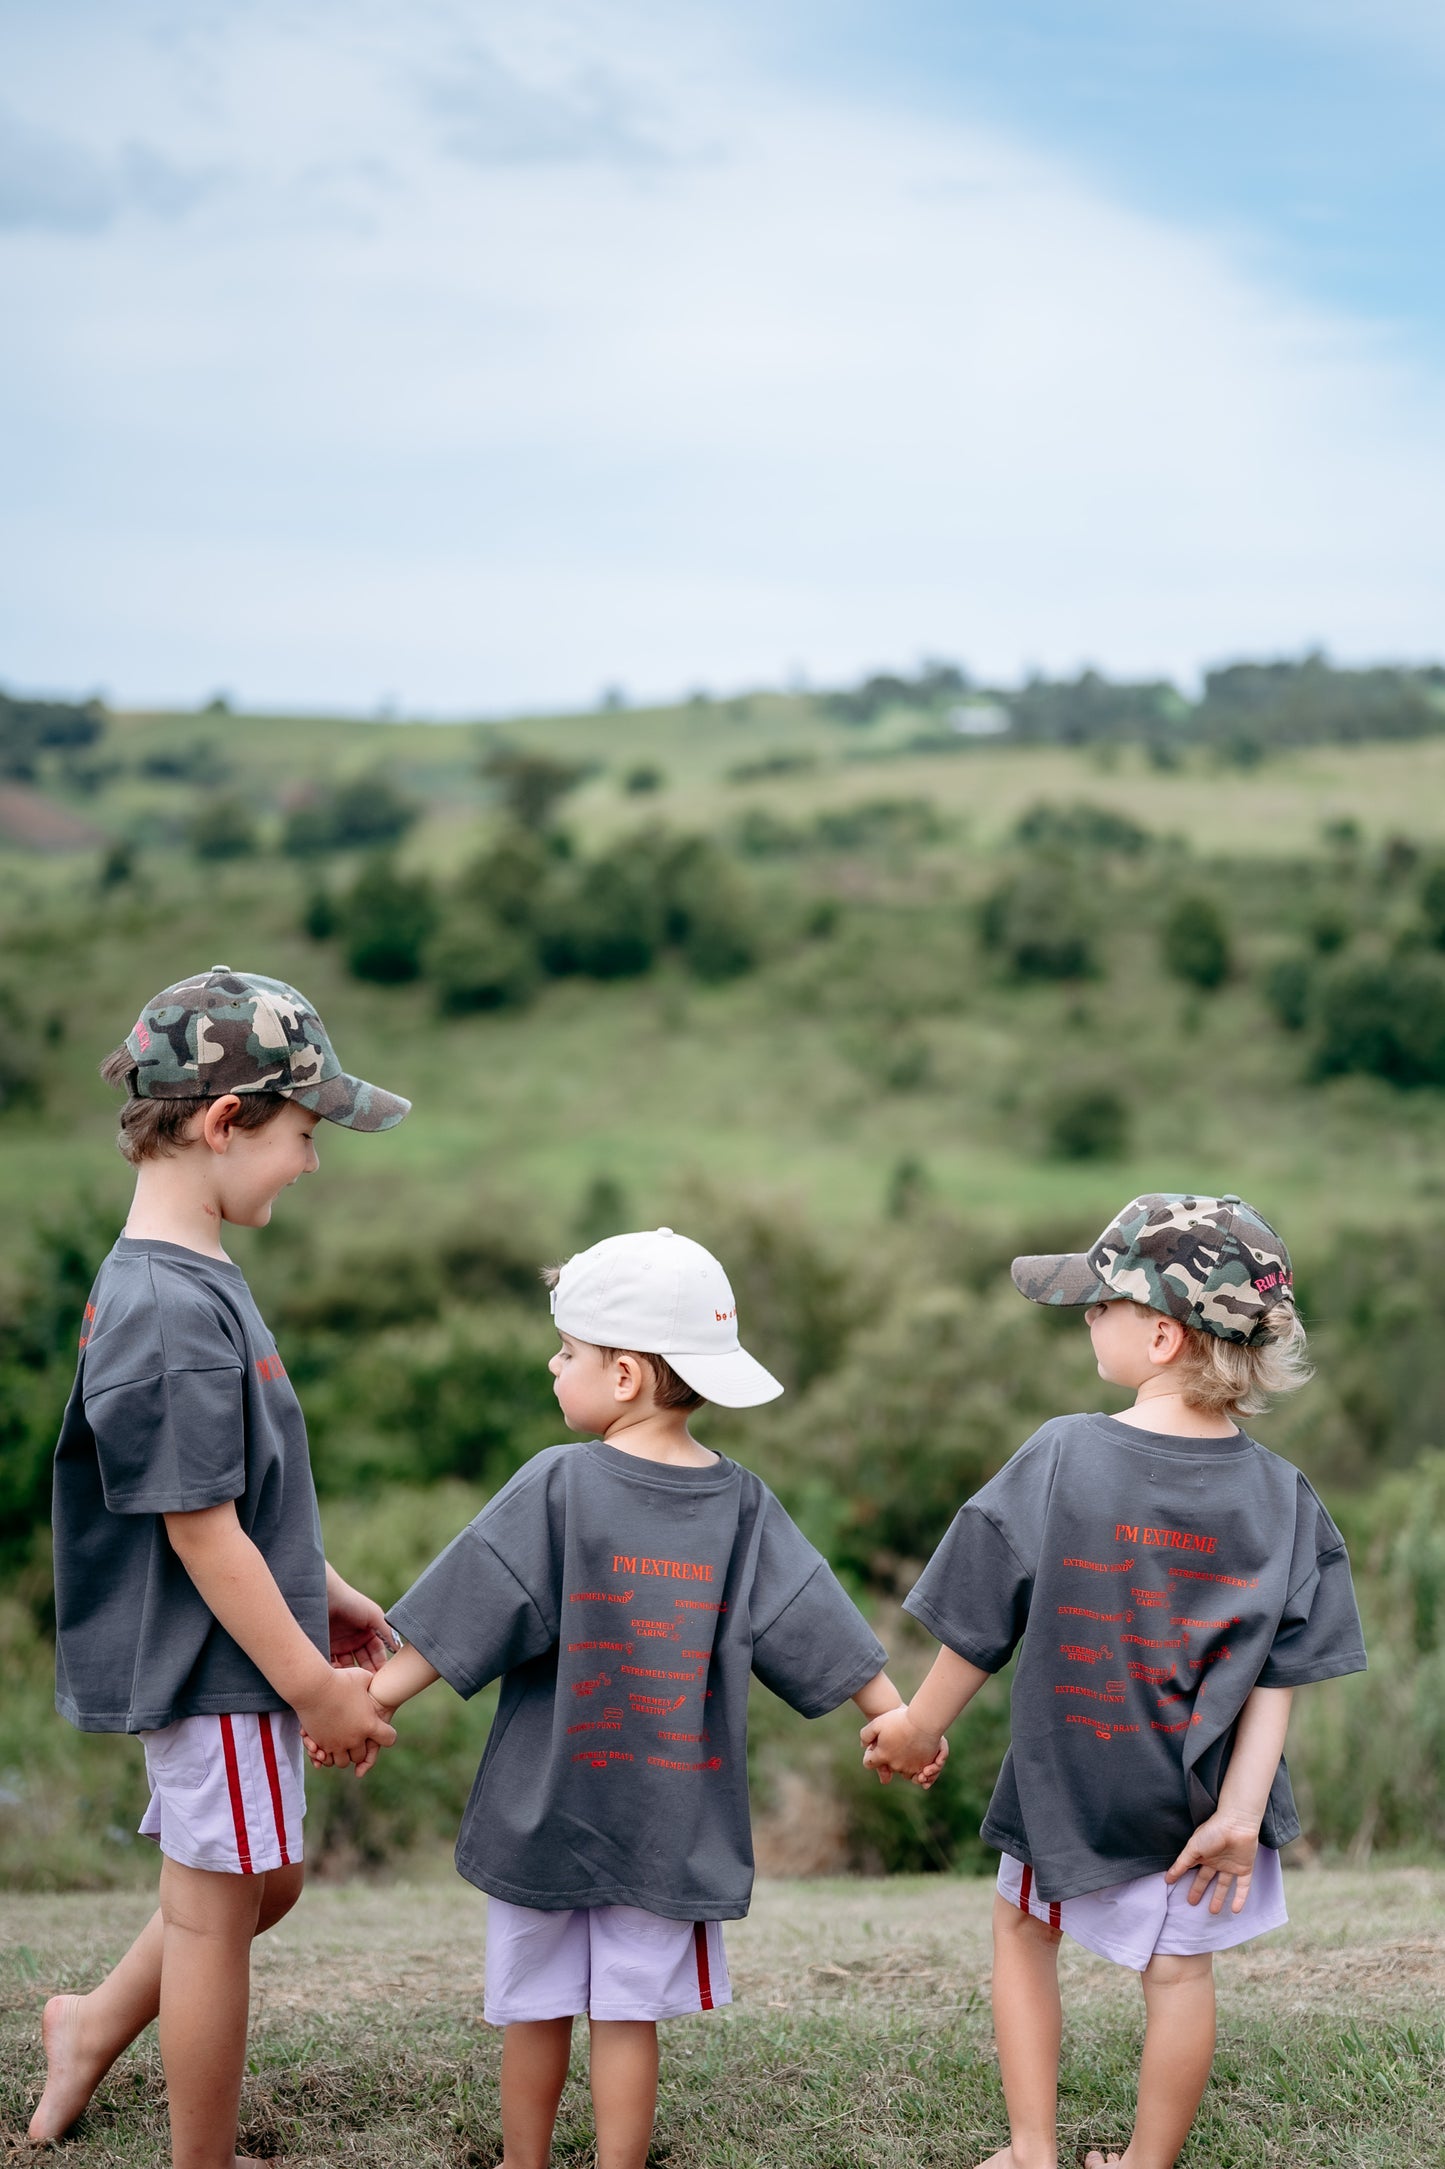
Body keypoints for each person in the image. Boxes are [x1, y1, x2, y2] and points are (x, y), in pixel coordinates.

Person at [347, 1226, 934, 2169]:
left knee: (533, 2005)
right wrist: (895, 1716)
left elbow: (474, 1605)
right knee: (627, 2016)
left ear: (623, 1374)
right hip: (669, 1816)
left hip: (545, 1811)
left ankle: (521, 2162)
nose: (555, 1362)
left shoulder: (556, 1483)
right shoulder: (743, 1505)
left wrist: (370, 1697)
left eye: (569, 1350)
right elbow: (811, 1616)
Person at [861, 1193, 1367, 2169]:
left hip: (1071, 1779)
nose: (1086, 1316)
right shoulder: (1279, 1493)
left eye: (1100, 1301)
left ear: (1164, 1337)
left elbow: (978, 1620)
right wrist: (1238, 1810)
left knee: (1018, 1929)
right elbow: (1280, 1668)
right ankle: (1143, 2164)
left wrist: (920, 1727)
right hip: (1198, 1799)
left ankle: (1030, 2149)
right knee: (1178, 1976)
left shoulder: (1062, 1455)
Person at [29, 965, 409, 2169]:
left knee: (261, 1884)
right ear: (223, 1120)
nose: (312, 1162)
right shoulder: (167, 1309)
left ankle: (88, 2025)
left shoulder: (191, 1278)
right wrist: (311, 1685)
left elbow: (233, 1497)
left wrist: (326, 1586)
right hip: (217, 1664)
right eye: (303, 1133)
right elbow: (199, 1535)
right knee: (214, 1917)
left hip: (229, 1646)